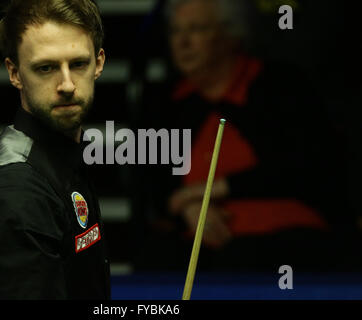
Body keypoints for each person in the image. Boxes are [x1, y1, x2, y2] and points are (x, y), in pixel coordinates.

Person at [133, 0, 344, 272]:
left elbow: (307, 168)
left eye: (196, 29)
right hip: (195, 233)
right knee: (157, 257)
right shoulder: (163, 102)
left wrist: (210, 190)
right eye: (175, 31)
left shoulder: (283, 86)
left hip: (282, 233)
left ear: (231, 34)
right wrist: (189, 209)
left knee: (245, 258)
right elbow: (154, 185)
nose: (182, 42)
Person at [0, 0, 109, 299]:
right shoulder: (15, 188)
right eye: (46, 68)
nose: (67, 84)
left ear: (99, 63)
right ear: (14, 73)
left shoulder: (60, 157)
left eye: (78, 64)